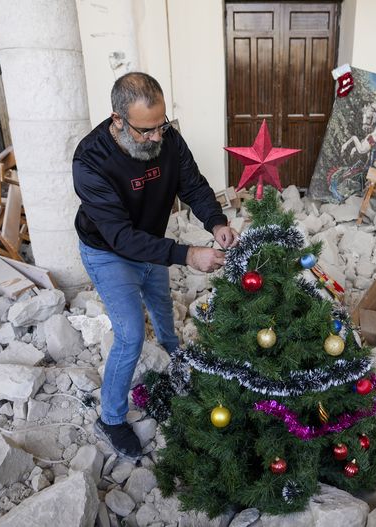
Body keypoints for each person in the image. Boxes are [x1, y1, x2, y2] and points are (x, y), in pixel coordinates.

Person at [72, 72, 239, 460]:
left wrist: (216, 222)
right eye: (146, 131)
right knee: (130, 336)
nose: (156, 138)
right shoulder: (90, 161)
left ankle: (173, 357)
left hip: (150, 244)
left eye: (161, 126)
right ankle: (111, 418)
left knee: (163, 307)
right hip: (108, 251)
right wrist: (187, 255)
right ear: (118, 120)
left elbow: (194, 186)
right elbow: (121, 238)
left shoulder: (168, 140)